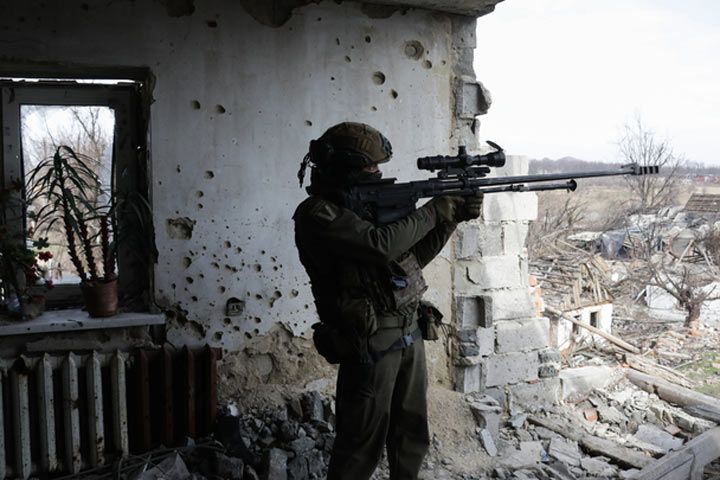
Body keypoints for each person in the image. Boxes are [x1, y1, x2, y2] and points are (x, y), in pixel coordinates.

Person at [293, 122, 483, 480]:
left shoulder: (367, 212)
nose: (376, 172)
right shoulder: (318, 214)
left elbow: (411, 259)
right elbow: (379, 245)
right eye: (369, 167)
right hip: (370, 341)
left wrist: (451, 219)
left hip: (409, 332)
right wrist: (433, 211)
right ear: (344, 168)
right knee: (360, 445)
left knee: (411, 437)